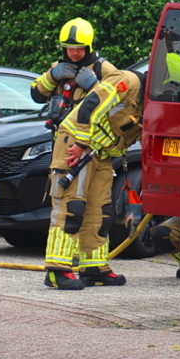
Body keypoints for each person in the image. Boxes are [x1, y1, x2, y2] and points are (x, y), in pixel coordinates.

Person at [31, 18, 131, 290]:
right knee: (70, 207)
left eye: (79, 48)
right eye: (69, 48)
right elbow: (36, 94)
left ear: (89, 45)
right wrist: (52, 77)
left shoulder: (103, 68)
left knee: (101, 209)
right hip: (69, 144)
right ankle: (57, 269)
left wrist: (93, 84)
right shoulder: (59, 68)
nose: (74, 53)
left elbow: (114, 97)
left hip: (98, 145)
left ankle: (94, 267)